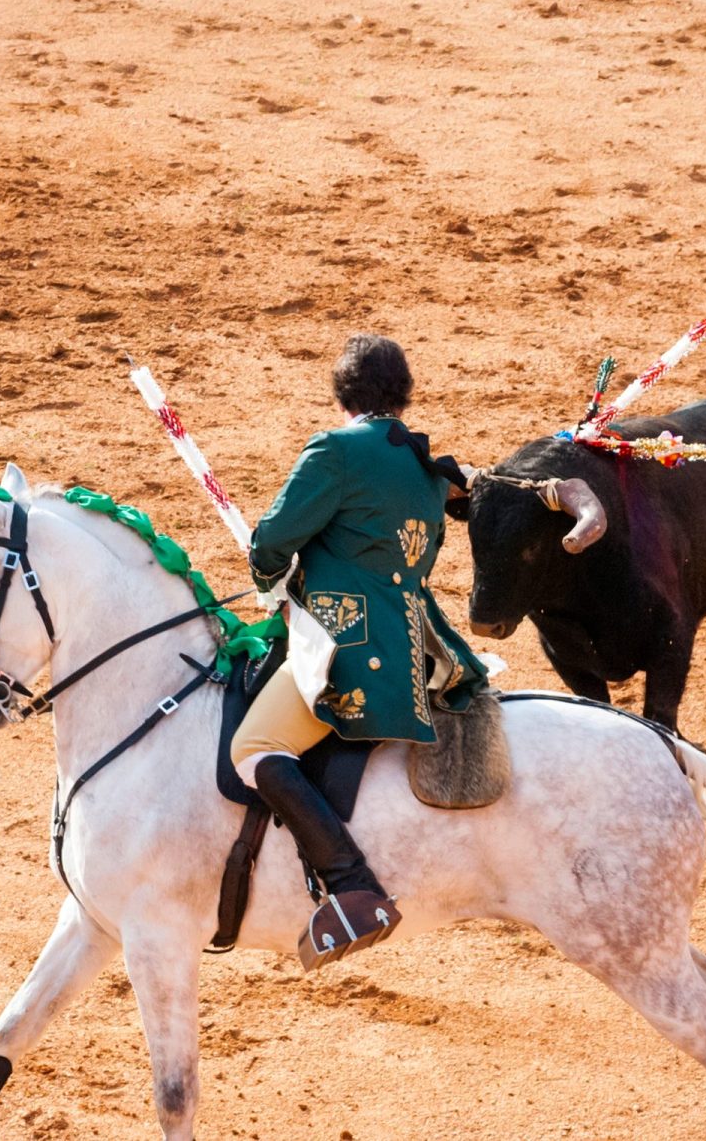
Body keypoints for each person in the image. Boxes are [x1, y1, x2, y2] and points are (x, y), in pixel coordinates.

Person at [233, 333, 489, 969]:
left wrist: (266, 566)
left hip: (345, 646)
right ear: (403, 393)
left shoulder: (335, 450)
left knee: (253, 749)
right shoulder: (429, 469)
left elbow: (275, 539)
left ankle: (351, 886)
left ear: (342, 393)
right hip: (420, 650)